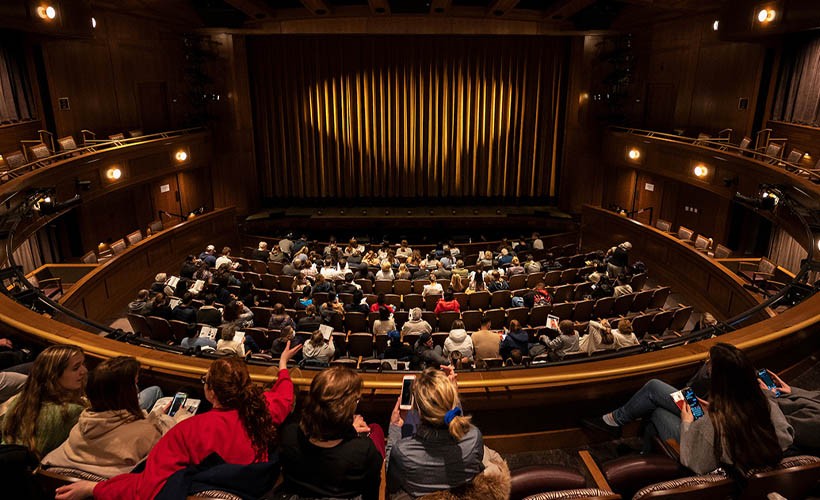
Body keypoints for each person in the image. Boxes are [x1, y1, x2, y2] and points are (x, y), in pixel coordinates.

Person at [55, 344, 301, 500]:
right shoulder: (264, 410)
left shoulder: (186, 431)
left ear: (211, 392)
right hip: (253, 489)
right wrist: (282, 367)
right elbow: (285, 396)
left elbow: (146, 488)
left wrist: (94, 489)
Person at [585, 343, 793, 474]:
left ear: (720, 380)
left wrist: (687, 422)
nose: (706, 365)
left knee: (657, 411)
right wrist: (711, 408)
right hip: (712, 423)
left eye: (709, 364)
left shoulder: (713, 424)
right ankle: (623, 431)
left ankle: (632, 441)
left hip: (698, 442)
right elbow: (784, 438)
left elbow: (694, 461)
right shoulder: (763, 402)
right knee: (656, 388)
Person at [41, 357, 174, 478]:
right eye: (134, 384)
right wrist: (168, 418)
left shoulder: (79, 426)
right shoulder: (146, 433)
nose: (137, 390)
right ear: (127, 393)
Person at [387, 367, 506, 498]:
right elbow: (458, 432)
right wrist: (455, 402)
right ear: (452, 401)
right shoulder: (474, 437)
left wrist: (395, 427)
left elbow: (392, 483)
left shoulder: (402, 451)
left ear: (419, 411)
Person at [278, 366, 384, 500]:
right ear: (345, 411)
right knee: (376, 429)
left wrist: (349, 430)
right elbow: (371, 494)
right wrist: (350, 432)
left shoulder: (289, 435)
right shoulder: (363, 451)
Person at [2, 345, 88, 458]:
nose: (84, 371)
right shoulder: (73, 411)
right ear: (54, 376)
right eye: (76, 368)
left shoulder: (20, 399)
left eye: (83, 364)